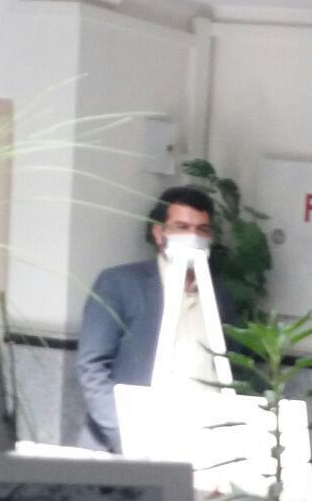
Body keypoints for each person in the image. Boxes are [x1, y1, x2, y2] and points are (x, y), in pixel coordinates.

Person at [74, 186, 243, 452]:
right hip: (131, 446)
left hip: (203, 445)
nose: (193, 236)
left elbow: (234, 366)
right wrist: (125, 434)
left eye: (202, 229)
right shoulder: (120, 284)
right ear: (159, 232)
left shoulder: (219, 295)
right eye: (181, 227)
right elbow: (92, 367)